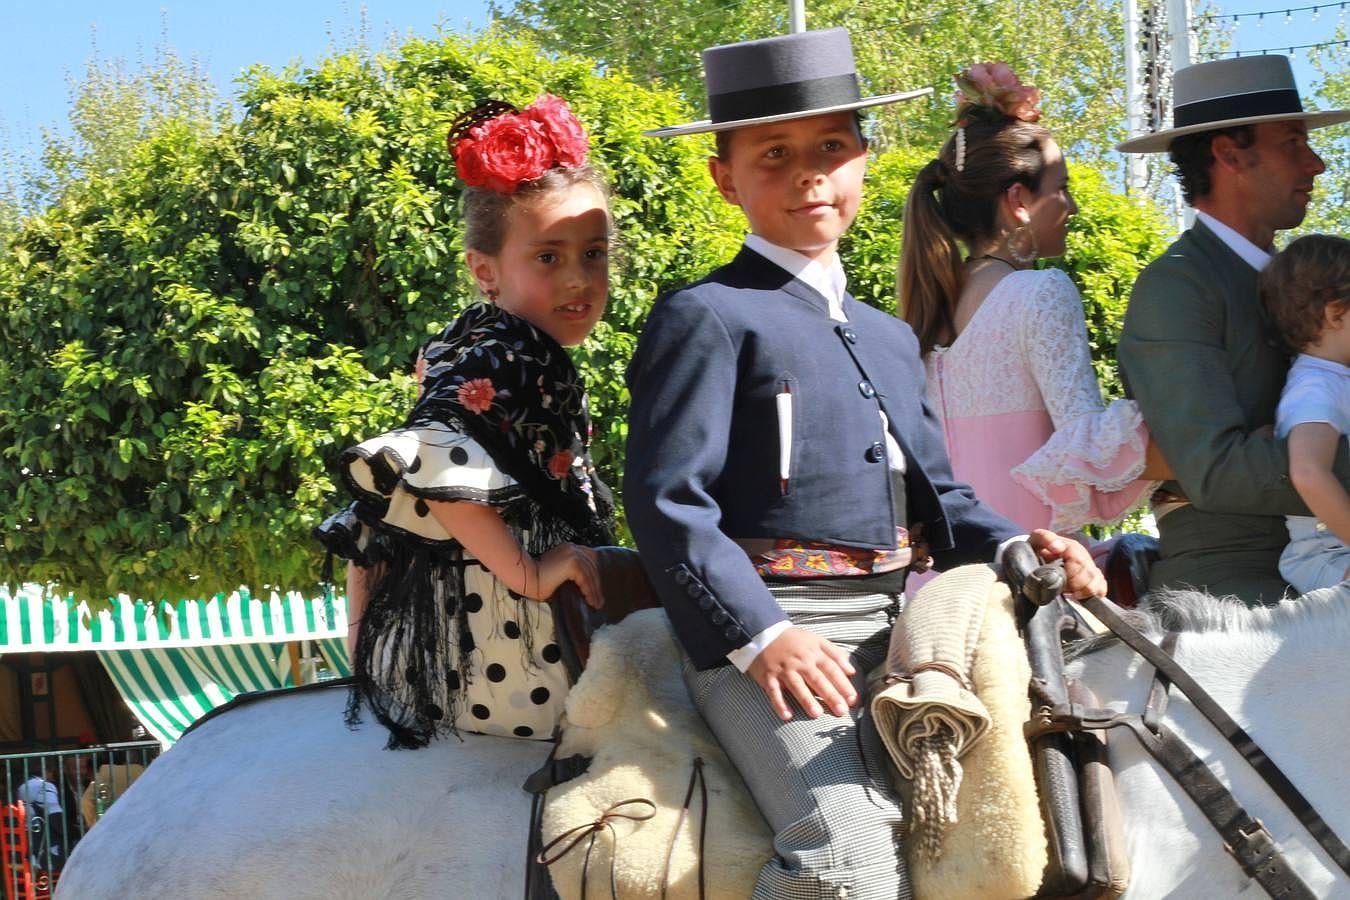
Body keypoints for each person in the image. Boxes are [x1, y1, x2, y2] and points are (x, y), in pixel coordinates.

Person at [627, 29, 1106, 899]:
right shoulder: (707, 316)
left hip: (899, 628)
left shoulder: (888, 337)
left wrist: (1020, 547)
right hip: (771, 638)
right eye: (775, 154)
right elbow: (669, 505)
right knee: (844, 857)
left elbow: (945, 501)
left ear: (864, 162)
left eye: (832, 148)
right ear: (723, 177)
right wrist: (762, 637)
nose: (810, 172)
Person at [316, 94, 614, 749]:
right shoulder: (504, 348)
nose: (579, 278)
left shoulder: (483, 339)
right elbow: (432, 466)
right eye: (548, 257)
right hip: (509, 642)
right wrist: (530, 574)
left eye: (595, 253)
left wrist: (362, 639)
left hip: (462, 630)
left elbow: (380, 516)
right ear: (485, 270)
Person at [1117, 55, 1350, 603]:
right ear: (1228, 155)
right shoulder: (1176, 288)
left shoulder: (1297, 276)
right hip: (1230, 589)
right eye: (1293, 142)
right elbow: (1216, 470)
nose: (1315, 163)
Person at [899, 62, 1163, 538]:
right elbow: (1084, 444)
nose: (1072, 207)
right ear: (1019, 200)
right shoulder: (1040, 292)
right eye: (1061, 189)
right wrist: (1172, 416)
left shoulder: (924, 307)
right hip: (1030, 564)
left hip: (940, 577)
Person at [1260, 234, 1350, 592]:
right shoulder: (1316, 386)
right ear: (1335, 313)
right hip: (1325, 553)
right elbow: (1309, 472)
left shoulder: (1334, 379)